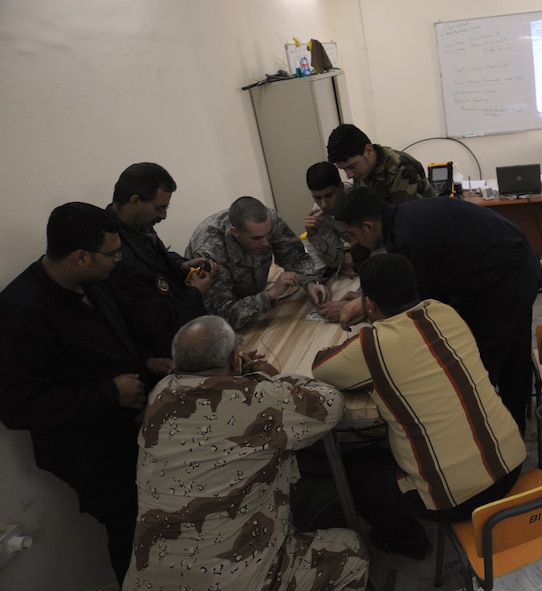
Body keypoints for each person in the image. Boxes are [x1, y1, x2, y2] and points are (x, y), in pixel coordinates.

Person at [122, 315, 368, 590]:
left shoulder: (160, 394)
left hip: (147, 582)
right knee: (351, 551)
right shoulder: (255, 398)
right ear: (234, 359)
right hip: (235, 581)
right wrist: (271, 377)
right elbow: (331, 404)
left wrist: (239, 376)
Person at [312, 254, 526, 560]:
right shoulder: (445, 312)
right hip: (512, 463)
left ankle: (408, 541)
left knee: (350, 470)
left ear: (368, 304)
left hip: (459, 500)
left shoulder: (372, 345)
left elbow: (321, 368)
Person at [0, 202, 168, 584]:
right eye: (112, 253)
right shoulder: (22, 315)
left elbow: (104, 345)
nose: (119, 260)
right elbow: (18, 407)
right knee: (132, 534)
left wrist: (146, 363)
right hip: (92, 454)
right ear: (80, 257)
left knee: (158, 525)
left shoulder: (92, 280)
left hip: (129, 433)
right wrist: (109, 393)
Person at [334, 187, 541, 434]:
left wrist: (368, 305)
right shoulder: (405, 218)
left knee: (480, 369)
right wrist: (366, 299)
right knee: (511, 359)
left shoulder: (409, 236)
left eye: (352, 235)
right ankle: (512, 430)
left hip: (506, 282)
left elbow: (414, 304)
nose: (353, 243)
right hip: (514, 264)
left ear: (368, 226)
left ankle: (490, 437)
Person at [106, 162, 214, 359]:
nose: (163, 216)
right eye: (159, 208)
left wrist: (181, 266)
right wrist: (195, 294)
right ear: (135, 201)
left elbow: (155, 264)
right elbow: (151, 320)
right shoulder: (114, 254)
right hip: (165, 355)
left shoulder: (138, 226)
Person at [185, 196, 327, 329]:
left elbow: (295, 257)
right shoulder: (210, 251)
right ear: (235, 232)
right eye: (256, 238)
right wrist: (271, 294)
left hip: (254, 306)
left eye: (268, 235)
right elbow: (224, 315)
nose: (266, 243)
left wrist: (310, 282)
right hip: (216, 325)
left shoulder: (268, 222)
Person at [304, 161, 364, 323]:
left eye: (329, 195)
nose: (323, 204)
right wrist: (314, 235)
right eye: (317, 198)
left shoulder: (361, 199)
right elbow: (337, 261)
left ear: (341, 188)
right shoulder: (319, 213)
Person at [326, 123, 436, 203]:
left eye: (352, 167)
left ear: (368, 151)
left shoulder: (400, 168)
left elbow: (405, 220)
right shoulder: (364, 171)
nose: (349, 175)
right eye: (344, 169)